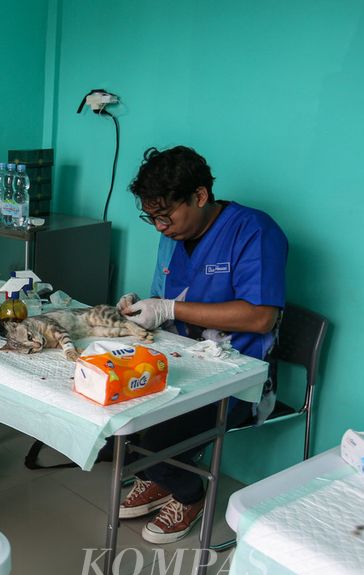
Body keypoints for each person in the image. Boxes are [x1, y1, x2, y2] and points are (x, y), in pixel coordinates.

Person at [114, 145, 288, 544]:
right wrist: (142, 308)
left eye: (166, 215)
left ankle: (187, 491)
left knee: (149, 437)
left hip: (238, 378)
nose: (159, 226)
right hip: (180, 360)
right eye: (151, 217)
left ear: (200, 196)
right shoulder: (174, 236)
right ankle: (157, 473)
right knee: (116, 416)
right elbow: (168, 305)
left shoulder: (254, 232)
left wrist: (169, 307)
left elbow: (261, 317)